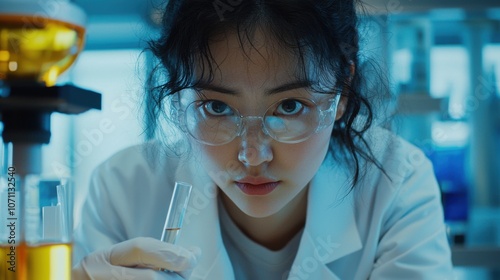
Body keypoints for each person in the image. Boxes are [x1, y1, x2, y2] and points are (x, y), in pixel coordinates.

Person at [72, 0, 454, 279]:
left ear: (343, 91)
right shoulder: (123, 189)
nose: (252, 155)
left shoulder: (394, 182)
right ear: (179, 98)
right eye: (217, 108)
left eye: (289, 106)